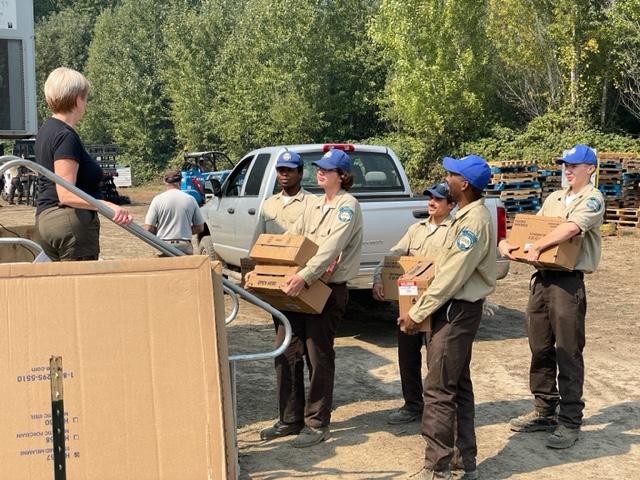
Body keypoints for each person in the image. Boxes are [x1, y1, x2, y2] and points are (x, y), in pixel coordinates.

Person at [398, 155, 496, 480]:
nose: (446, 178)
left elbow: (451, 276)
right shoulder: (463, 217)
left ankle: (437, 467)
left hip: (455, 310)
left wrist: (417, 312)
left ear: (464, 184)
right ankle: (462, 461)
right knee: (457, 384)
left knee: (438, 389)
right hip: (454, 308)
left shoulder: (473, 222)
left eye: (451, 175)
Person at [500, 144, 604, 449]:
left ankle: (570, 420)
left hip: (567, 283)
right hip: (542, 279)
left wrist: (538, 246)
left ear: (591, 169)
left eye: (574, 165)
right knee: (540, 346)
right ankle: (544, 409)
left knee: (568, 351)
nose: (567, 170)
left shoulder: (593, 199)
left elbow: (571, 228)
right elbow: (533, 229)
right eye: (565, 165)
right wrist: (510, 245)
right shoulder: (555, 198)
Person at [259, 148, 363, 448]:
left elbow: (331, 247)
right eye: (319, 168)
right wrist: (273, 263)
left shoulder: (347, 206)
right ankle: (290, 418)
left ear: (341, 176)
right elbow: (296, 239)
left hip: (325, 289)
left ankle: (317, 422)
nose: (320, 172)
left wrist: (303, 275)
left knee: (318, 356)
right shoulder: (314, 205)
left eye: (327, 170)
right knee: (287, 351)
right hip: (299, 284)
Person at [372, 182, 456, 425]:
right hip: (409, 304)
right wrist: (379, 277)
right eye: (430, 198)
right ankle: (412, 405)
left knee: (436, 360)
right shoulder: (415, 229)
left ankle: (436, 408)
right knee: (407, 355)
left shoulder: (454, 231)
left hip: (438, 305)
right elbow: (394, 255)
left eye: (438, 199)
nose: (431, 202)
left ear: (450, 205)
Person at [35, 67, 132, 261]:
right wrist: (106, 205)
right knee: (80, 288)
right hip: (69, 221)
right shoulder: (65, 136)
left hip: (46, 220)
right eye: (85, 98)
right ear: (78, 100)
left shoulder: (46, 130)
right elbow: (66, 193)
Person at [143, 169, 205, 255]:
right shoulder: (191, 199)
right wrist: (184, 231)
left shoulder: (157, 200)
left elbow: (148, 228)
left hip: (163, 245)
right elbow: (200, 227)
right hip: (184, 245)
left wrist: (161, 231)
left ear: (165, 182)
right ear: (180, 181)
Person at [255, 149, 313, 236]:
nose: (285, 174)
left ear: (300, 173)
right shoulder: (269, 203)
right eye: (281, 170)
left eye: (290, 170)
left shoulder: (313, 203)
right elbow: (258, 239)